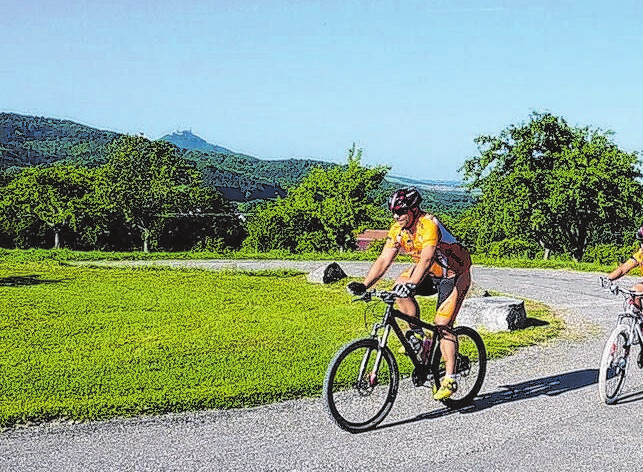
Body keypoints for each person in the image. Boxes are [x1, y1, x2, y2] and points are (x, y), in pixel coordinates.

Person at [347, 187, 472, 400]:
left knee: (442, 325)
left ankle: (450, 378)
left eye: (401, 212)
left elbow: (426, 259)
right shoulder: (398, 229)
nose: (396, 216)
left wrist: (413, 283)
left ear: (414, 210)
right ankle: (419, 336)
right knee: (398, 286)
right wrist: (365, 285)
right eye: (393, 212)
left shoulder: (428, 225)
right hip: (429, 273)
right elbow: (384, 259)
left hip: (454, 275)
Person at [601, 227, 643, 295]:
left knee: (637, 288)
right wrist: (608, 278)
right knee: (634, 292)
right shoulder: (640, 255)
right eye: (642, 242)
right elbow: (624, 268)